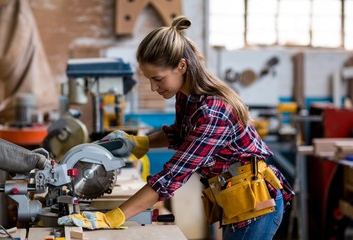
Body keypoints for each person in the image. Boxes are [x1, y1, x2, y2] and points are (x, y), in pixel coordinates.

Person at [58, 15, 294, 240]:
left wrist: (113, 217)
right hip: (233, 195)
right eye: (149, 79)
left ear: (181, 66)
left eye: (157, 79)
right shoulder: (187, 96)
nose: (152, 87)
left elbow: (173, 176)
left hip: (255, 204)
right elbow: (181, 134)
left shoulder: (214, 111)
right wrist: (141, 143)